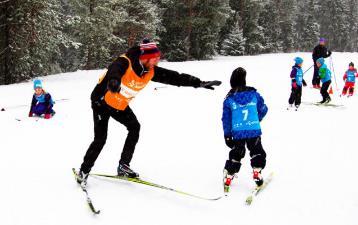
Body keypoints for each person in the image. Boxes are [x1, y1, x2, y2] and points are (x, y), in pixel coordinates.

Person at [75, 39, 221, 185]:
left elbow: (174, 77)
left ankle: (123, 166)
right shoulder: (125, 62)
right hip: (101, 102)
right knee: (101, 139)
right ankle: (84, 171)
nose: (157, 62)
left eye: (158, 58)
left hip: (119, 104)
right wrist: (114, 81)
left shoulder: (150, 71)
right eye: (154, 59)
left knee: (134, 127)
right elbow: (115, 69)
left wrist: (198, 83)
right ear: (145, 58)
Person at [221, 67, 268, 191]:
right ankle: (257, 171)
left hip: (237, 132)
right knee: (257, 150)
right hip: (253, 129)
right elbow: (263, 109)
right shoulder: (255, 95)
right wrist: (257, 119)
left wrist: (227, 134)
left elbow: (226, 119)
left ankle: (229, 175)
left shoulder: (229, 99)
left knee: (237, 152)